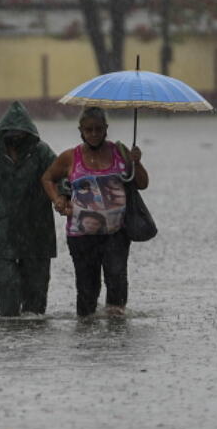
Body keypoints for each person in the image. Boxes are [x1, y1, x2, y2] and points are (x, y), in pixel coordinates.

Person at [41, 106, 149, 317]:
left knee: (116, 279)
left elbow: (142, 184)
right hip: (81, 235)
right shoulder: (70, 157)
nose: (94, 134)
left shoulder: (121, 153)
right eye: (88, 130)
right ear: (80, 130)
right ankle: (87, 334)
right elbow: (47, 178)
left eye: (98, 129)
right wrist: (57, 200)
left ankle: (116, 331)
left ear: (106, 129)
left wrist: (137, 162)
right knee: (86, 288)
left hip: (116, 232)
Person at [0, 101, 58, 317]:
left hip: (36, 233)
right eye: (11, 133)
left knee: (35, 306)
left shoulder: (42, 152)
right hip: (1, 232)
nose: (16, 138)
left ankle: (31, 337)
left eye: (20, 134)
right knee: (6, 294)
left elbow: (59, 176)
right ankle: (9, 333)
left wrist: (65, 198)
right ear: (2, 132)